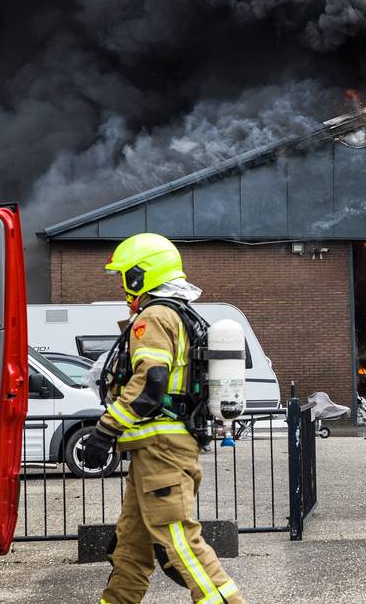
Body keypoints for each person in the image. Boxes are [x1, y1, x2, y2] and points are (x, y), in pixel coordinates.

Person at [81, 232, 244, 604]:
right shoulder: (178, 314)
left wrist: (105, 431)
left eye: (124, 276)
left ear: (140, 276)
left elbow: (150, 382)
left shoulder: (154, 316)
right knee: (129, 552)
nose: (123, 286)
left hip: (161, 450)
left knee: (181, 543)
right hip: (156, 451)